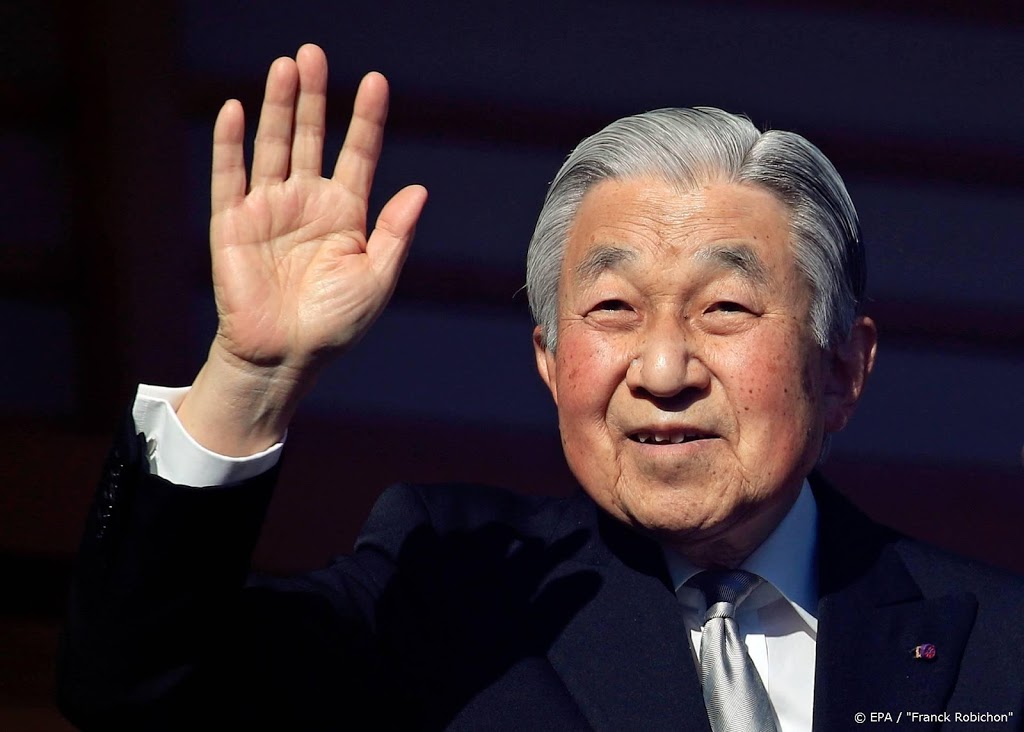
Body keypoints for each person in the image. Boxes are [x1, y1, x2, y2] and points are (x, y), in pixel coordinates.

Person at [57, 44, 1024, 731]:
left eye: (725, 308)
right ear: (550, 363)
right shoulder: (453, 588)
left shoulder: (997, 644)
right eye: (613, 310)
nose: (663, 371)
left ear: (842, 367)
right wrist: (251, 374)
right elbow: (135, 689)